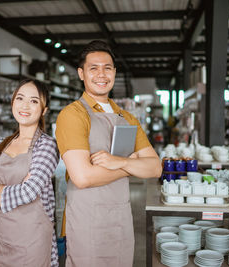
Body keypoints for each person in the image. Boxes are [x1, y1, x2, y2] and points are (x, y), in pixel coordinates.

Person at [55, 40, 162, 267]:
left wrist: (117, 161)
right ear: (81, 73)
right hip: (87, 222)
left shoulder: (127, 117)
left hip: (121, 219)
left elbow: (154, 167)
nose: (101, 74)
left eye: (107, 68)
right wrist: (130, 165)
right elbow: (82, 178)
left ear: (114, 72)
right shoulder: (72, 115)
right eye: (93, 68)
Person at [0, 79, 59, 267]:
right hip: (1, 239)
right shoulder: (0, 144)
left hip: (32, 242)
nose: (25, 106)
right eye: (20, 98)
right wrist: (14, 192)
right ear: (12, 103)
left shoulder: (47, 145)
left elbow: (29, 192)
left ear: (44, 110)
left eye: (34, 101)